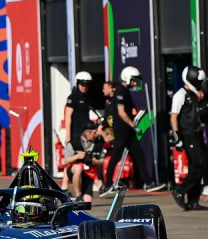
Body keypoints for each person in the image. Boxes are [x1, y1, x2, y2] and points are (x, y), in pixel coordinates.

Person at [102, 67, 163, 195]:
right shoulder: (120, 92)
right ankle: (106, 185)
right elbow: (121, 113)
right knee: (116, 156)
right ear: (127, 78)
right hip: (123, 129)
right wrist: (133, 125)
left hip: (128, 130)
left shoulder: (125, 91)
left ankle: (148, 182)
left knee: (139, 155)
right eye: (134, 81)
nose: (135, 84)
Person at [170, 66, 208, 211]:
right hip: (187, 133)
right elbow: (174, 116)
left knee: (200, 165)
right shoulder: (180, 94)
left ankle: (193, 200)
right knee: (199, 164)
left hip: (197, 132)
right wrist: (177, 136)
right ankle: (180, 191)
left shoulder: (196, 94)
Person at [64, 124, 107, 202]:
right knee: (78, 168)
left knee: (87, 202)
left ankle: (94, 189)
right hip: (74, 170)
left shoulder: (99, 143)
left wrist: (96, 161)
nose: (96, 134)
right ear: (87, 133)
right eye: (94, 132)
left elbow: (103, 160)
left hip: (89, 173)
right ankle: (78, 195)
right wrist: (77, 156)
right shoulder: (74, 142)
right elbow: (66, 161)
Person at [63, 71, 95, 147]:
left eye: (86, 85)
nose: (84, 87)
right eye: (82, 85)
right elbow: (68, 116)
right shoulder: (73, 97)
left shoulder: (87, 97)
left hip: (86, 133)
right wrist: (68, 135)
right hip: (76, 133)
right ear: (78, 84)